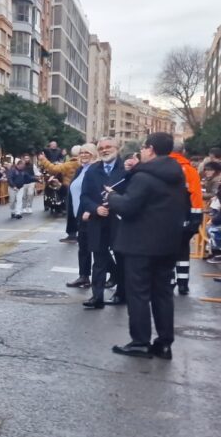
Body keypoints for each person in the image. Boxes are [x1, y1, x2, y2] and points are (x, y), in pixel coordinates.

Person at [106, 133, 188, 359]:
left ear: (150, 149)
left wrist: (112, 197)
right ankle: (164, 343)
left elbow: (128, 207)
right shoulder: (176, 174)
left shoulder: (144, 177)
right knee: (162, 294)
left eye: (143, 148)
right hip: (167, 244)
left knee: (139, 294)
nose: (141, 152)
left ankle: (140, 342)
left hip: (140, 245)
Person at [79, 138, 126, 309]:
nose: (105, 150)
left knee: (121, 258)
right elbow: (84, 197)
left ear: (117, 149)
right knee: (99, 259)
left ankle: (121, 293)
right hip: (98, 221)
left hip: (119, 221)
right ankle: (96, 296)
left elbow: (134, 195)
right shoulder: (92, 170)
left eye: (108, 147)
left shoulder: (126, 169)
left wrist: (116, 203)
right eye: (101, 148)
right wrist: (95, 208)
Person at [169, 140, 202, 296]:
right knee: (183, 251)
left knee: (165, 250)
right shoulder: (190, 170)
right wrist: (196, 219)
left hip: (163, 218)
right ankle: (183, 284)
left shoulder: (161, 168)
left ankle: (169, 281)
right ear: (183, 152)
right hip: (184, 217)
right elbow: (196, 195)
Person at [64, 144, 97, 288]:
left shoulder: (96, 169)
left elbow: (97, 192)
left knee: (96, 247)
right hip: (80, 214)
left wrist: (91, 210)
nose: (83, 155)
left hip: (91, 214)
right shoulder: (80, 170)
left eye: (87, 152)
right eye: (82, 152)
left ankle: (116, 274)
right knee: (83, 247)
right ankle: (84, 276)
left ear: (94, 154)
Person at [38, 148, 83, 242]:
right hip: (80, 189)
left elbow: (53, 169)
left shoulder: (70, 164)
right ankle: (78, 233)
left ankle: (72, 234)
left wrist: (43, 159)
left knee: (71, 212)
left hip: (69, 188)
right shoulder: (82, 164)